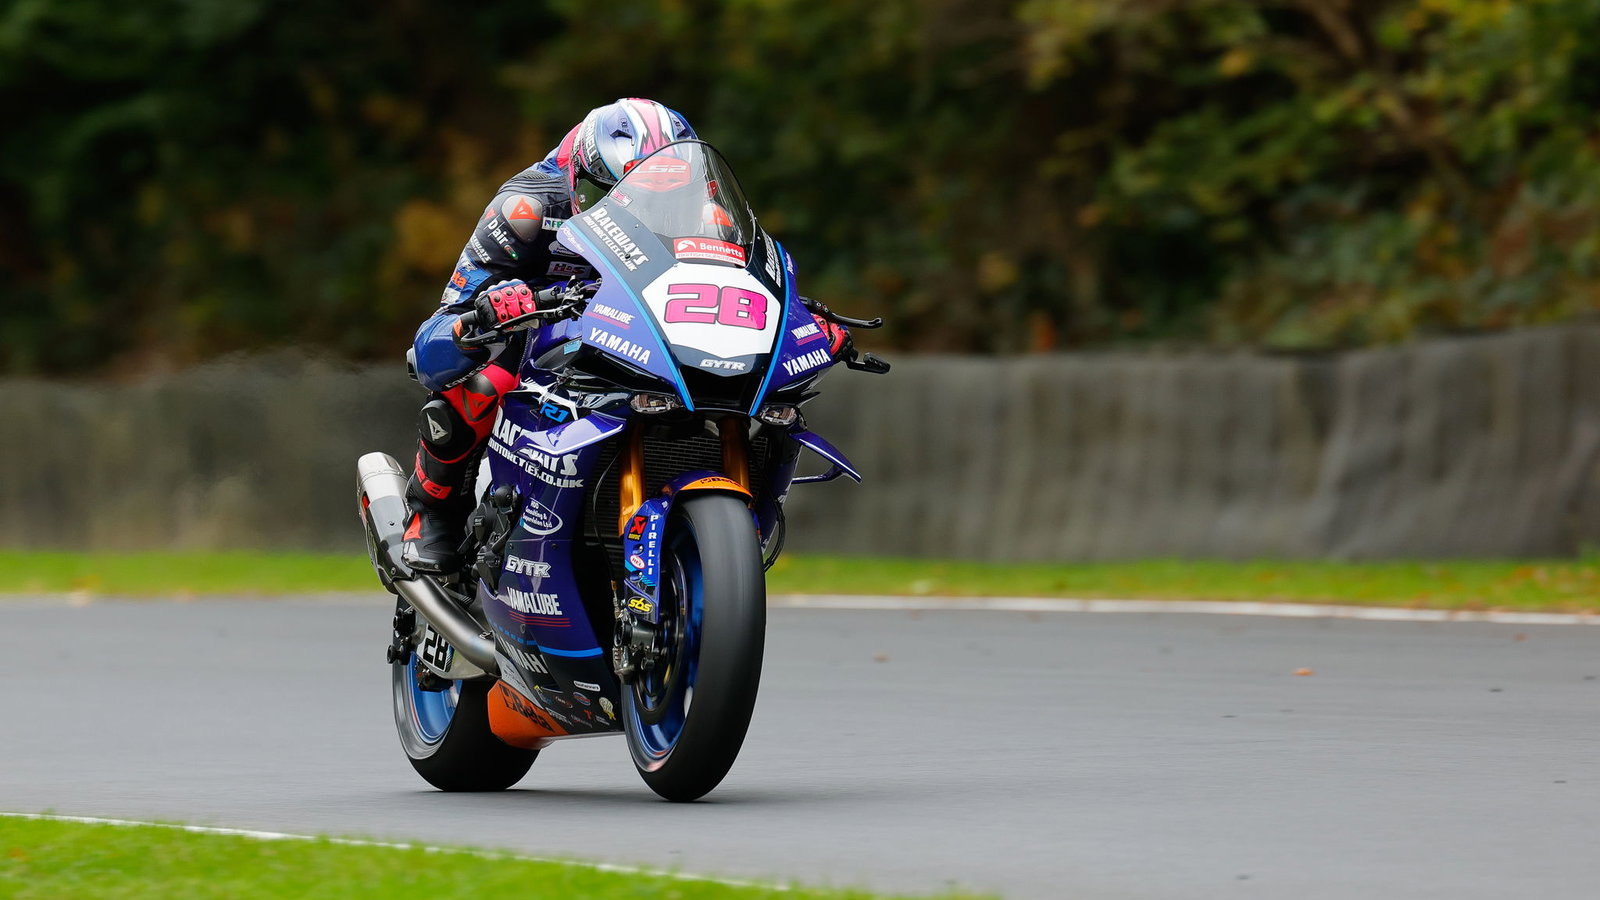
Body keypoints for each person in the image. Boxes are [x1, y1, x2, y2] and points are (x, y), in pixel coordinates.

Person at [401, 98, 848, 573]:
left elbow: (740, 288)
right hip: (544, 342)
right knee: (484, 385)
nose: (630, 210)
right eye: (611, 195)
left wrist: (801, 324)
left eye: (657, 197)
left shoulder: (708, 217)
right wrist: (487, 313)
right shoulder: (525, 210)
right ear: (577, 177)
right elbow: (433, 346)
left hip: (644, 342)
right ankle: (431, 512)